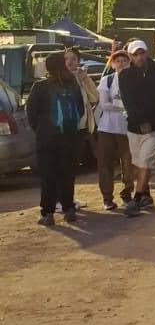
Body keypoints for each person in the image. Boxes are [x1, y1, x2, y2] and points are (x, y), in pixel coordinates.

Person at [26, 52, 85, 227]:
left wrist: (40, 129)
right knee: (67, 174)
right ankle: (69, 208)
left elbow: (31, 113)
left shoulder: (40, 86)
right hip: (70, 137)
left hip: (47, 138)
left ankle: (48, 213)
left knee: (48, 175)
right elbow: (81, 109)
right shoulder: (72, 83)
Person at [118, 40, 155, 217]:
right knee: (138, 162)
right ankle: (145, 195)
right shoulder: (125, 75)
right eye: (136, 54)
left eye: (142, 53)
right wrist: (140, 120)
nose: (140, 57)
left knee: (145, 162)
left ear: (147, 53)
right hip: (134, 127)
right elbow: (128, 101)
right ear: (130, 56)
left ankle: (137, 199)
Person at [95, 50, 136, 209]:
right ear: (112, 64)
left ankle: (127, 194)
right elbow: (104, 104)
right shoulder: (107, 80)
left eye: (124, 61)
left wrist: (120, 105)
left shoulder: (135, 81)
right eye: (117, 61)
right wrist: (125, 106)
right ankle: (107, 198)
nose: (121, 64)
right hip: (107, 128)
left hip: (127, 129)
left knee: (128, 163)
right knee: (105, 163)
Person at [64, 47, 99, 149]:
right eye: (66, 59)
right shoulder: (59, 78)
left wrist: (84, 81)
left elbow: (95, 98)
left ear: (78, 62)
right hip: (65, 125)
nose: (69, 62)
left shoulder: (84, 76)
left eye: (73, 59)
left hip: (82, 125)